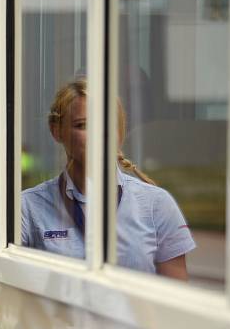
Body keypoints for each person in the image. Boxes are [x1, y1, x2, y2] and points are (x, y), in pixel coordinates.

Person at [21, 77, 195, 279]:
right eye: (82, 125)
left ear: (119, 133)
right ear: (56, 131)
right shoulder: (29, 207)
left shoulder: (156, 204)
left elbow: (175, 296)